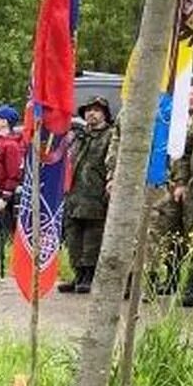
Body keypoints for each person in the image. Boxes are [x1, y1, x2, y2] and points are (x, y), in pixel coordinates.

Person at [160, 78, 193, 304]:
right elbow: (181, 155)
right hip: (173, 185)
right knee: (171, 234)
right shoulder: (173, 116)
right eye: (189, 94)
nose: (192, 98)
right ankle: (171, 278)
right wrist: (179, 181)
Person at [60, 97, 116, 293]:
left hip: (95, 194)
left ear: (105, 114)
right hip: (74, 194)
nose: (92, 114)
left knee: (93, 236)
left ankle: (89, 276)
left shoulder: (109, 136)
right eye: (88, 110)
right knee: (73, 236)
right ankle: (78, 274)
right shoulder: (78, 136)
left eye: (97, 110)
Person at [0, 105, 27, 270]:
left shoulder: (11, 145)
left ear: (4, 122)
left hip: (2, 195)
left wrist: (4, 198)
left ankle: (3, 268)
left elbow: (13, 174)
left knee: (1, 233)